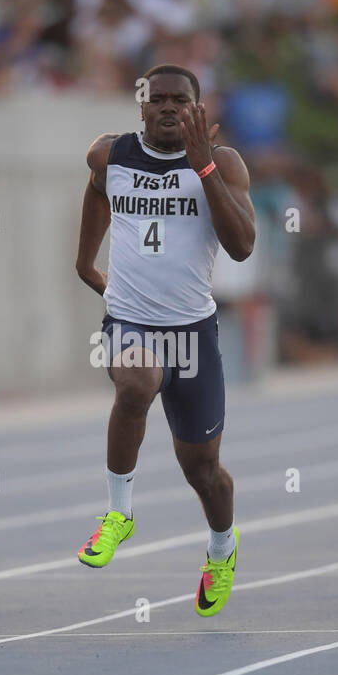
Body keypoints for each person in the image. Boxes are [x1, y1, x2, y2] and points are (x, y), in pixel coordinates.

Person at [74, 64, 256, 617]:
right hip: (130, 321)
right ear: (142, 107)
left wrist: (203, 167)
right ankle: (118, 513)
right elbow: (96, 194)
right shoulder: (110, 154)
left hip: (193, 333)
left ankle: (222, 548)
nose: (169, 108)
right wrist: (85, 262)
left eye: (182, 100)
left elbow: (243, 245)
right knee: (136, 381)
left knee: (204, 470)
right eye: (159, 100)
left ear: (200, 110)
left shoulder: (222, 164)